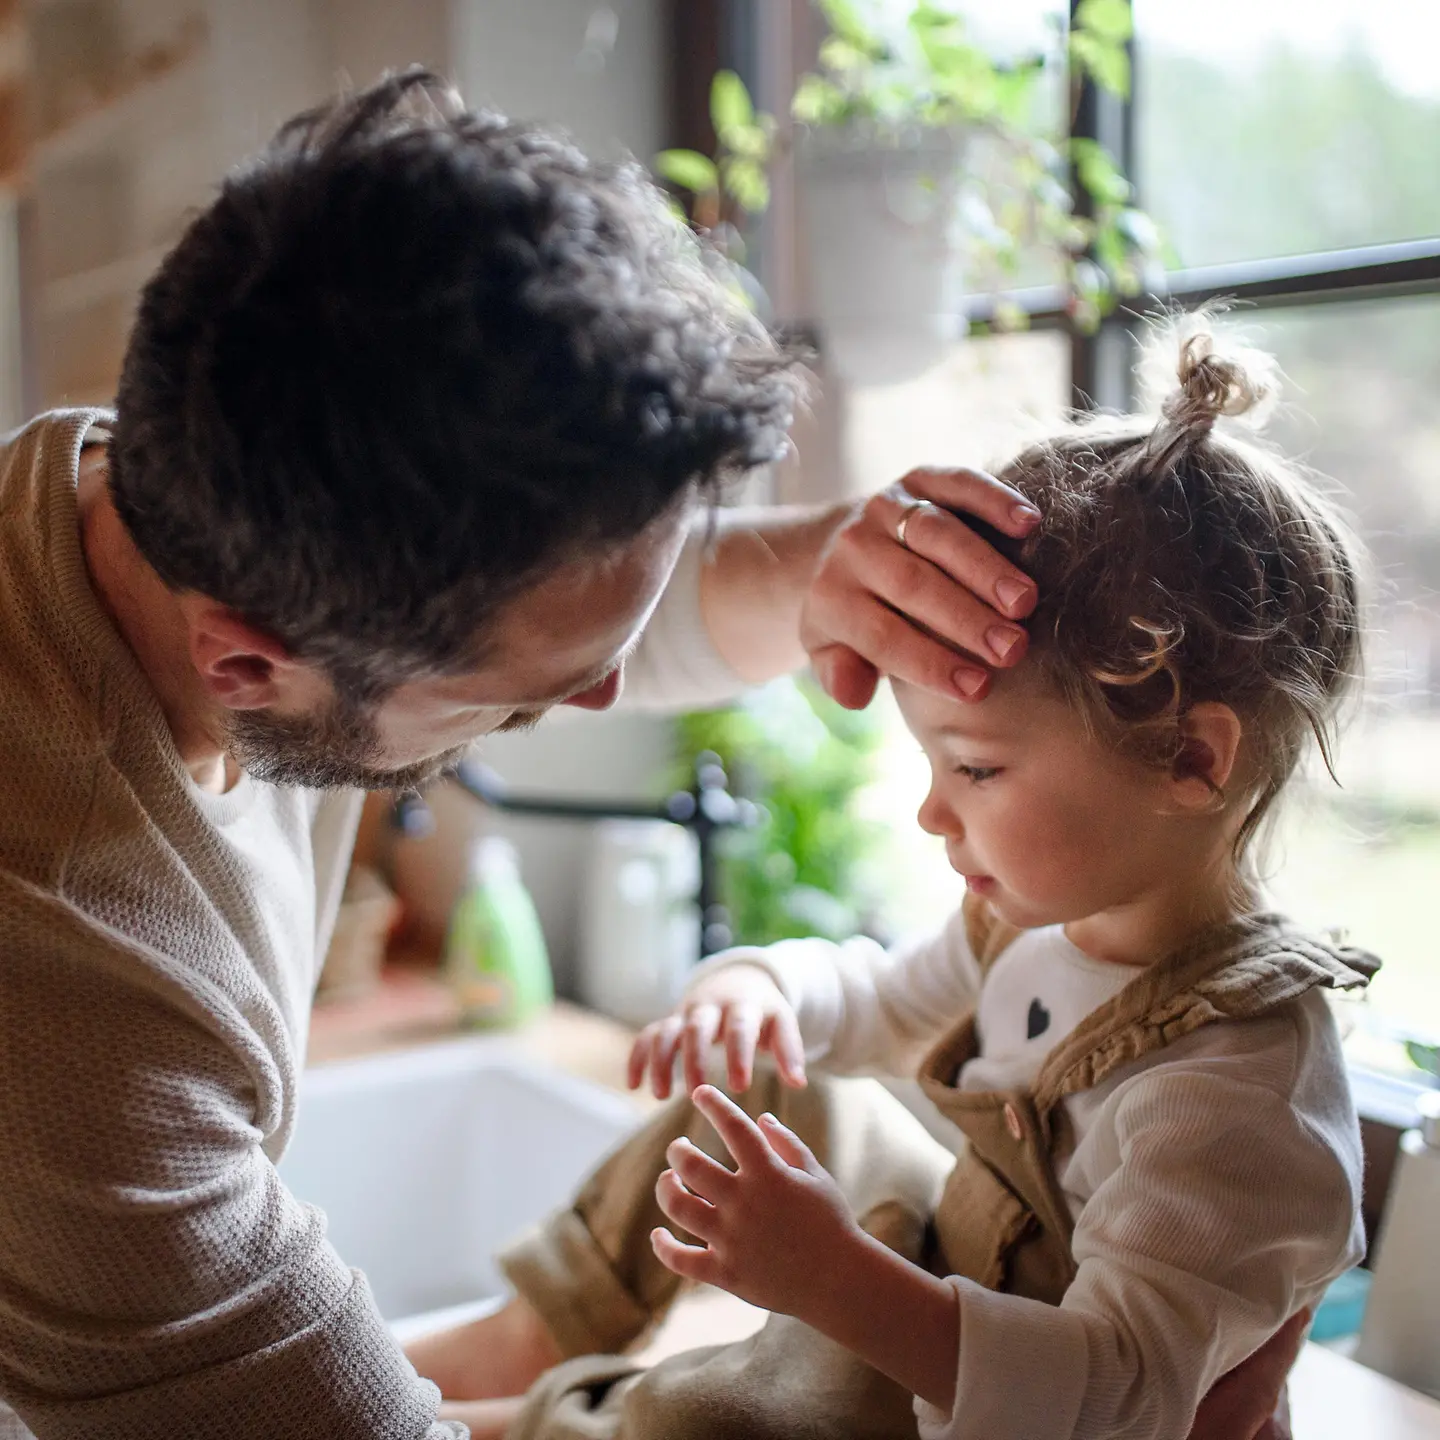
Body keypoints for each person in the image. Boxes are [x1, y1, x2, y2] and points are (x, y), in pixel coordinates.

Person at [0, 70, 1049, 1439]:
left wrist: (833, 560)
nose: (607, 691)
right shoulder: (77, 1014)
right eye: (527, 701)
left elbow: (584, 610)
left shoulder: (136, 489)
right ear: (248, 662)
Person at [422, 324, 1375, 1440]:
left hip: (989, 1408)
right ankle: (528, 1333)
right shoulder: (1036, 926)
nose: (933, 811)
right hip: (951, 1275)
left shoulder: (1234, 1099)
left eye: (974, 768)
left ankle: (533, 1423)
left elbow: (1117, 1397)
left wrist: (832, 1281)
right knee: (778, 1088)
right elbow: (877, 1004)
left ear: (1190, 759)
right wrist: (769, 989)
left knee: (711, 1419)